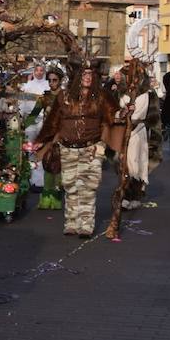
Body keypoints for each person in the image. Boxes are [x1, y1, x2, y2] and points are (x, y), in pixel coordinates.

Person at [35, 59, 116, 237]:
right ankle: (71, 221)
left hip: (92, 148)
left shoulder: (102, 97)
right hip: (67, 148)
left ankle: (86, 225)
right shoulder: (63, 97)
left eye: (91, 74)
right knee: (71, 186)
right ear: (78, 76)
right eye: (84, 74)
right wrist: (41, 140)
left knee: (88, 187)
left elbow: (114, 118)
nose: (88, 77)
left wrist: (125, 113)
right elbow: (53, 121)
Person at [114, 62, 154, 211]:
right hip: (122, 133)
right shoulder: (122, 93)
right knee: (123, 165)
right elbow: (117, 112)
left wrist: (127, 115)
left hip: (137, 133)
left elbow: (138, 115)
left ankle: (134, 196)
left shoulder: (144, 95)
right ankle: (124, 195)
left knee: (135, 165)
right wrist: (122, 114)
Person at [25, 66, 65, 209]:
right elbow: (34, 114)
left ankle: (56, 198)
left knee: (59, 166)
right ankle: (46, 197)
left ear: (60, 81)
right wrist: (22, 126)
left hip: (62, 135)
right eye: (49, 80)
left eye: (55, 80)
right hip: (47, 135)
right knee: (47, 165)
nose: (52, 83)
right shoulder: (45, 97)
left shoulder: (66, 97)